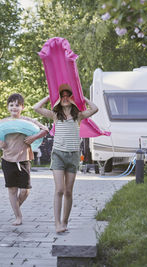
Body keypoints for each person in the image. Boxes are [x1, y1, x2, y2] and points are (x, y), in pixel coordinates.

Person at [33, 84, 98, 233]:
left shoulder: (79, 116)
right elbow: (36, 108)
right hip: (58, 155)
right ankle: (57, 223)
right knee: (60, 189)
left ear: (72, 99)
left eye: (68, 95)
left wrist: (83, 98)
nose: (65, 98)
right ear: (59, 100)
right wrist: (50, 96)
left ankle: (64, 222)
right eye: (62, 96)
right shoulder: (56, 115)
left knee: (68, 191)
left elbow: (94, 109)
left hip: (73, 155)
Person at [0, 93, 49, 226]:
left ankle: (16, 206)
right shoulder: (3, 123)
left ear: (22, 107)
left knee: (25, 191)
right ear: (8, 107)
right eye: (11, 105)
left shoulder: (28, 121)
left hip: (23, 159)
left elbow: (45, 130)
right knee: (12, 189)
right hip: (8, 159)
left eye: (17, 105)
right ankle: (18, 216)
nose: (14, 107)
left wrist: (34, 138)